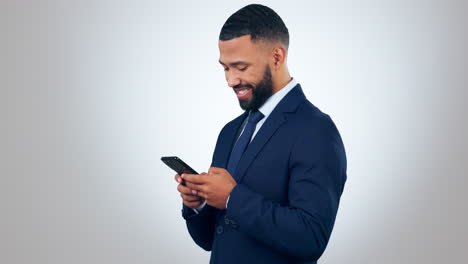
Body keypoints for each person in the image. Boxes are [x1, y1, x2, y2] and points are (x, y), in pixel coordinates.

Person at [174, 4, 347, 264]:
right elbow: (211, 239)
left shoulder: (316, 130)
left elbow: (312, 238)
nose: (230, 81)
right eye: (225, 68)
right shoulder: (230, 131)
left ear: (277, 57)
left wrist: (232, 198)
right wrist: (199, 204)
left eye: (240, 67)